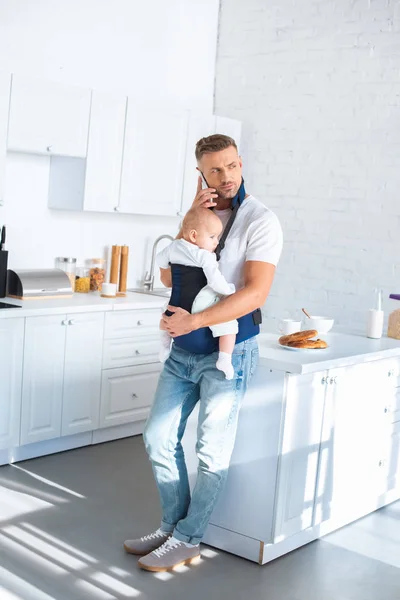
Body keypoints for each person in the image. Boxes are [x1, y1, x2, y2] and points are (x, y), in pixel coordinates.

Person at [124, 134, 283, 572]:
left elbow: (254, 294)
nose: (226, 176)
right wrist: (186, 224)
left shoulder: (260, 221)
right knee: (158, 436)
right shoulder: (199, 216)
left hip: (225, 352)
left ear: (241, 162)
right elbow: (168, 272)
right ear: (201, 174)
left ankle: (189, 538)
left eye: (232, 166)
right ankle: (172, 526)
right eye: (215, 169)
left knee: (211, 450)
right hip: (182, 351)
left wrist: (193, 320)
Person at [157, 206, 238, 379]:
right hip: (199, 303)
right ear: (194, 235)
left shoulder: (174, 246)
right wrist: (229, 290)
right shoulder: (205, 256)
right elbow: (215, 281)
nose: (216, 242)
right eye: (212, 237)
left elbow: (159, 259)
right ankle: (225, 358)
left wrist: (167, 266)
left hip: (176, 302)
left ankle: (164, 346)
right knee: (229, 322)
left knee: (166, 319)